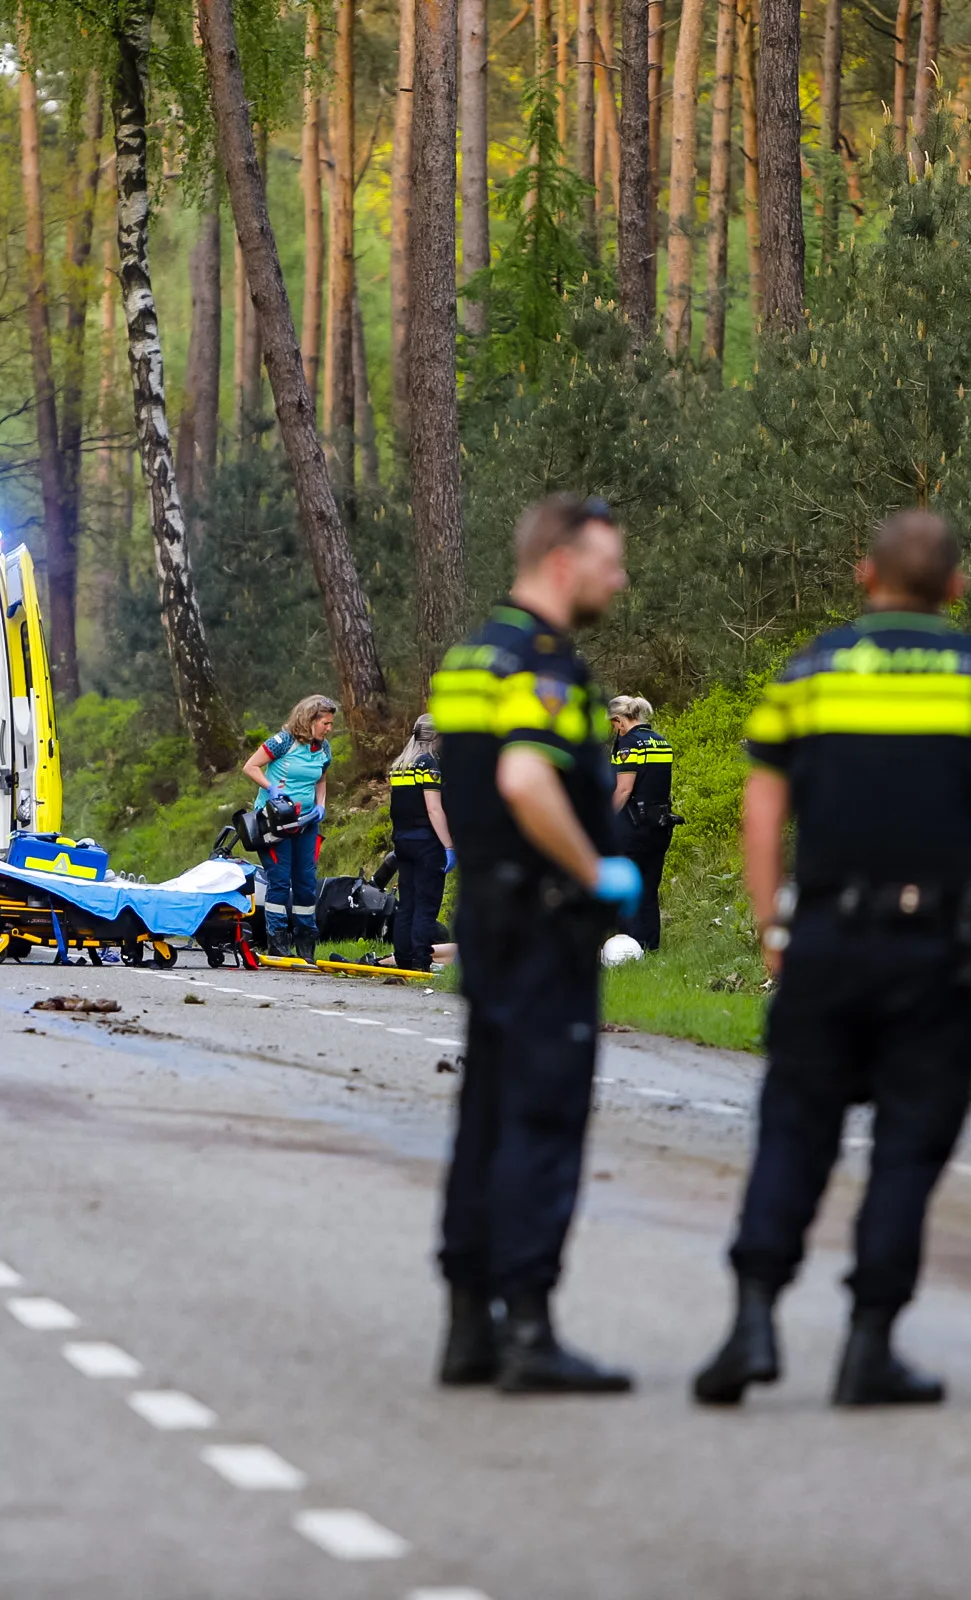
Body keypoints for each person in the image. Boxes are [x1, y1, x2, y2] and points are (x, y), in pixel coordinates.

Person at [692, 509, 971, 1409]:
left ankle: (752, 1318)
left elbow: (761, 813)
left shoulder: (808, 676)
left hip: (826, 936)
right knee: (910, 1141)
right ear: (957, 589)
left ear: (865, 578)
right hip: (942, 949)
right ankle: (870, 1343)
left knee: (796, 1125)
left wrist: (771, 928)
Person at [427, 493, 645, 1395]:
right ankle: (531, 1326)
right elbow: (525, 777)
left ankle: (469, 1324)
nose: (618, 579)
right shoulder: (542, 662)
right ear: (562, 562)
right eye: (608, 562)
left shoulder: (470, 656)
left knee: (484, 1113)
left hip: (485, 912)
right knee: (542, 1117)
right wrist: (594, 871)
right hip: (547, 918)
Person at [241, 694, 337, 960]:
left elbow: (321, 779)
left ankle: (306, 942)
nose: (329, 729)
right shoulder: (282, 742)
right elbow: (250, 766)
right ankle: (278, 941)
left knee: (306, 882)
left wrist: (321, 804)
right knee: (280, 881)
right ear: (309, 720)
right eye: (325, 723)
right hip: (276, 823)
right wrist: (270, 788)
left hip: (306, 822)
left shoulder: (323, 748)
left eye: (331, 723)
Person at [607, 695, 677, 950]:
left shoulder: (628, 745)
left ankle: (628, 948)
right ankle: (650, 945)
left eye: (614, 724)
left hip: (633, 826)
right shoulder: (660, 742)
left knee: (628, 886)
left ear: (619, 721)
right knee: (649, 887)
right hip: (660, 825)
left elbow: (624, 790)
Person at [386, 713, 454, 971]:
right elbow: (434, 809)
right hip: (426, 843)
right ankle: (420, 962)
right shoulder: (429, 765)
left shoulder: (400, 766)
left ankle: (403, 958)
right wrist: (448, 846)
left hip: (402, 841)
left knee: (408, 903)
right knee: (426, 905)